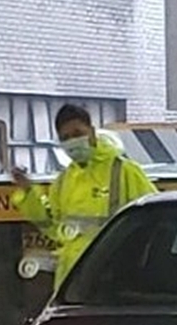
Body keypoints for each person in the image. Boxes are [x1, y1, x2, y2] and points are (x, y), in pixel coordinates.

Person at [10, 103, 158, 290]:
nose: (73, 141)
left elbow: (154, 216)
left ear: (92, 132)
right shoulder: (64, 181)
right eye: (66, 138)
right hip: (72, 278)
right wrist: (28, 192)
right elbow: (52, 227)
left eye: (78, 133)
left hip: (113, 276)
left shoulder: (124, 171)